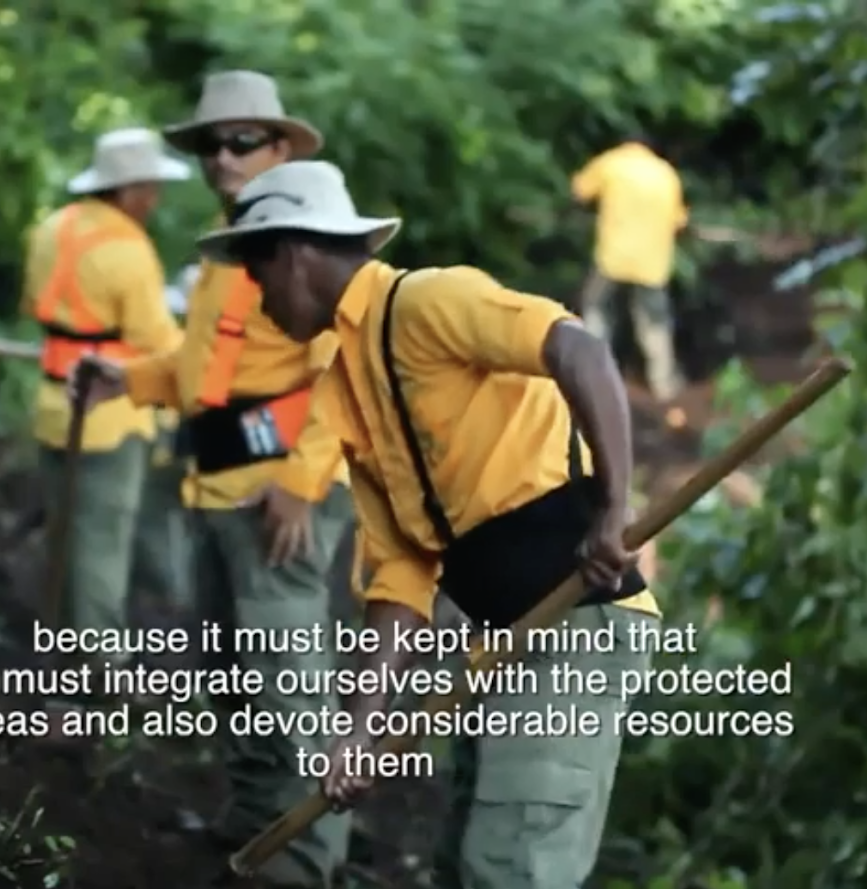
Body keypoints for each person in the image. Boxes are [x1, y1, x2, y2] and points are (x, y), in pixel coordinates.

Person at [194, 160, 663, 889]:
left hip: (576, 614)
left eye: (255, 275)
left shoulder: (430, 302)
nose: (255, 301)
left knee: (511, 867)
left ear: (290, 254)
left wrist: (612, 510)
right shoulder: (347, 388)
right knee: (464, 863)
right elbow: (404, 572)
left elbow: (579, 349)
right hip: (494, 638)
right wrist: (360, 726)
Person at [71, 71, 353, 888]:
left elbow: (345, 371)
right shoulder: (229, 244)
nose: (222, 158)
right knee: (230, 666)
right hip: (216, 485)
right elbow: (204, 369)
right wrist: (130, 379)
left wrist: (302, 480)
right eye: (209, 145)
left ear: (280, 146)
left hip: (280, 499)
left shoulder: (307, 237)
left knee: (289, 680)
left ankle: (304, 856)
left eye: (241, 141)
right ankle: (257, 816)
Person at [23, 127, 188, 666]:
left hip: (54, 406)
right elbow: (158, 339)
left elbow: (37, 304)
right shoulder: (128, 249)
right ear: (131, 190)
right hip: (109, 416)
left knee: (67, 537)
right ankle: (101, 671)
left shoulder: (52, 228)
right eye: (151, 188)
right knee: (102, 547)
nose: (155, 200)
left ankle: (64, 655)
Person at [571, 134, 689, 403]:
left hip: (613, 258)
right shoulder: (665, 174)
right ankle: (664, 384)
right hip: (652, 263)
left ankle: (594, 376)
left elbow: (579, 191)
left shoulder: (612, 163)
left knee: (596, 309)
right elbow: (679, 220)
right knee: (654, 322)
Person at [128, 267, 196, 614]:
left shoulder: (192, 347)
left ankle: (172, 590)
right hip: (194, 452)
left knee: (159, 507)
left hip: (192, 455)